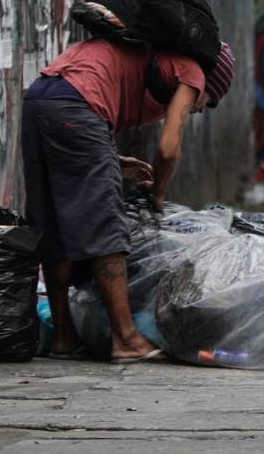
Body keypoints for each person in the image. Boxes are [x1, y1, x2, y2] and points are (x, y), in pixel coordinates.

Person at [22, 38, 236, 363]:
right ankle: (125, 338)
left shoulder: (147, 57)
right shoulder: (191, 71)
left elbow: (81, 109)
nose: (198, 107)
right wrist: (159, 193)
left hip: (40, 98)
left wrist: (113, 160)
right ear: (209, 82)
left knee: (53, 219)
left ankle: (64, 336)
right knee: (107, 224)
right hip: (77, 103)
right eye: (207, 101)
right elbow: (168, 148)